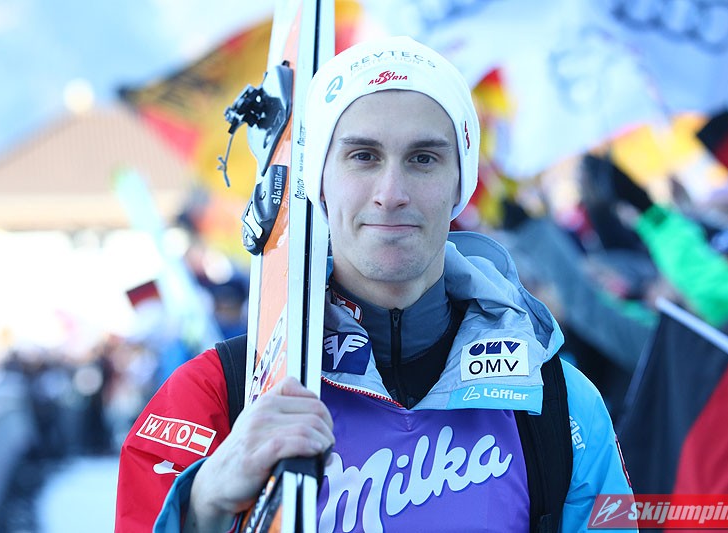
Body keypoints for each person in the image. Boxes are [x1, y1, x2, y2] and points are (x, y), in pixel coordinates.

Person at [115, 36, 634, 532]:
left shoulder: (558, 401)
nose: (391, 192)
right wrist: (202, 506)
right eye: (363, 156)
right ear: (319, 180)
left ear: (462, 181)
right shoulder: (216, 393)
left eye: (424, 158)